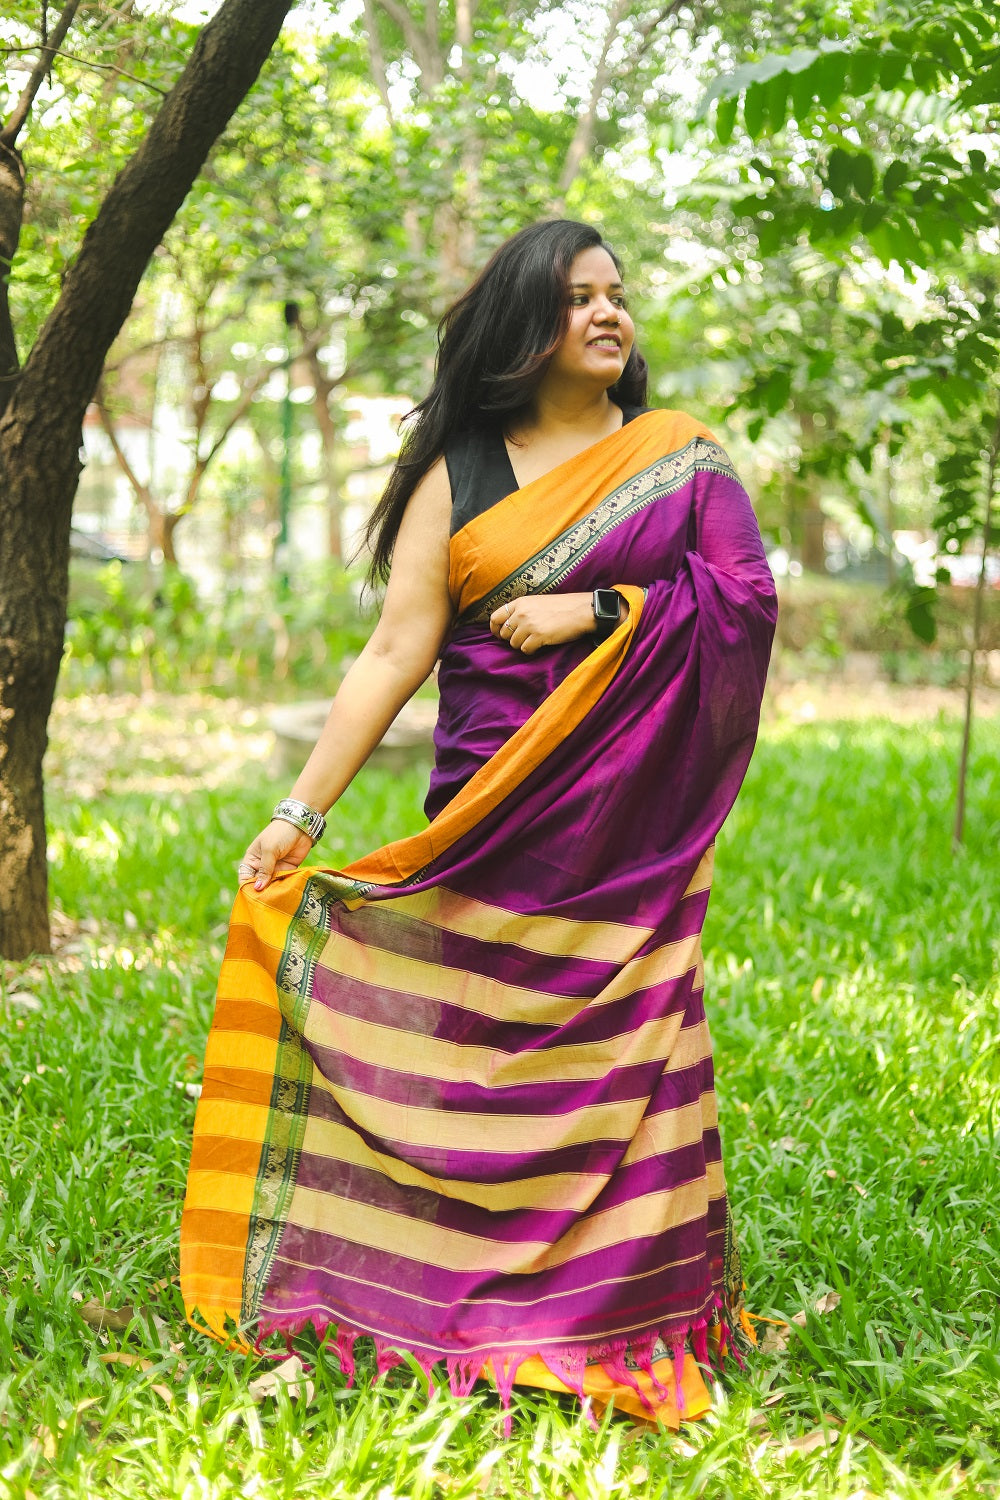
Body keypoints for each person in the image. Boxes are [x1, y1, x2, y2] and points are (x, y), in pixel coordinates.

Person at [180, 219, 777, 1428]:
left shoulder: (683, 459)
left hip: (627, 837)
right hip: (485, 818)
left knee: (622, 1076)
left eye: (617, 295)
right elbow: (397, 646)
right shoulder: (460, 467)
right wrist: (303, 812)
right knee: (470, 1080)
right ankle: (433, 1301)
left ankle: (614, 1314)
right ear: (523, 324)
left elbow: (743, 603)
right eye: (577, 298)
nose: (609, 314)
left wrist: (600, 608)